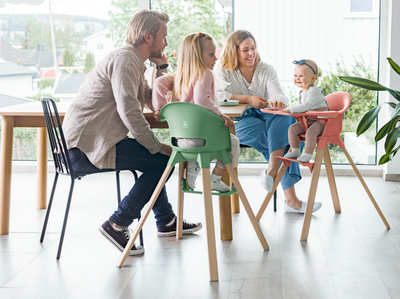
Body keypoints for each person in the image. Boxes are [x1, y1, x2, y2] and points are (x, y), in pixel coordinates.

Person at [61, 9, 202, 256]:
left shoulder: (133, 61)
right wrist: (155, 144)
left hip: (93, 143)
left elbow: (148, 98)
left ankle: (166, 221)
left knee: (157, 160)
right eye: (164, 37)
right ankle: (118, 223)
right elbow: (129, 111)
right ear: (149, 37)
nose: (166, 43)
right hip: (83, 149)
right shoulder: (126, 60)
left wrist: (162, 68)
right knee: (162, 159)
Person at [215, 30, 321, 213]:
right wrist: (249, 99)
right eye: (245, 50)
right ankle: (291, 201)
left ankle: (271, 171)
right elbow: (219, 96)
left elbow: (278, 93)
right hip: (238, 121)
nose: (251, 53)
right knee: (283, 140)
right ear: (234, 51)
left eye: (253, 48)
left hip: (267, 115)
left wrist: (276, 101)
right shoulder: (222, 69)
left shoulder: (265, 69)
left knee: (281, 116)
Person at [152, 32, 240, 192]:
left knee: (197, 142)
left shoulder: (179, 77)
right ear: (198, 56)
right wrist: (221, 115)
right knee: (233, 143)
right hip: (202, 140)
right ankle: (215, 179)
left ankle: (193, 169)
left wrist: (159, 108)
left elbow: (158, 83)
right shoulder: (205, 74)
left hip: (180, 140)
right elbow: (203, 101)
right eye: (212, 54)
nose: (216, 59)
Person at [283, 59, 329, 163]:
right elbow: (299, 103)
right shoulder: (303, 91)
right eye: (295, 76)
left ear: (313, 78)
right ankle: (295, 150)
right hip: (308, 121)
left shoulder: (315, 91)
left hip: (320, 122)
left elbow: (306, 105)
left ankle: (308, 154)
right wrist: (287, 107)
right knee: (292, 129)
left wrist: (290, 110)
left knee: (310, 132)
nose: (297, 78)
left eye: (301, 76)